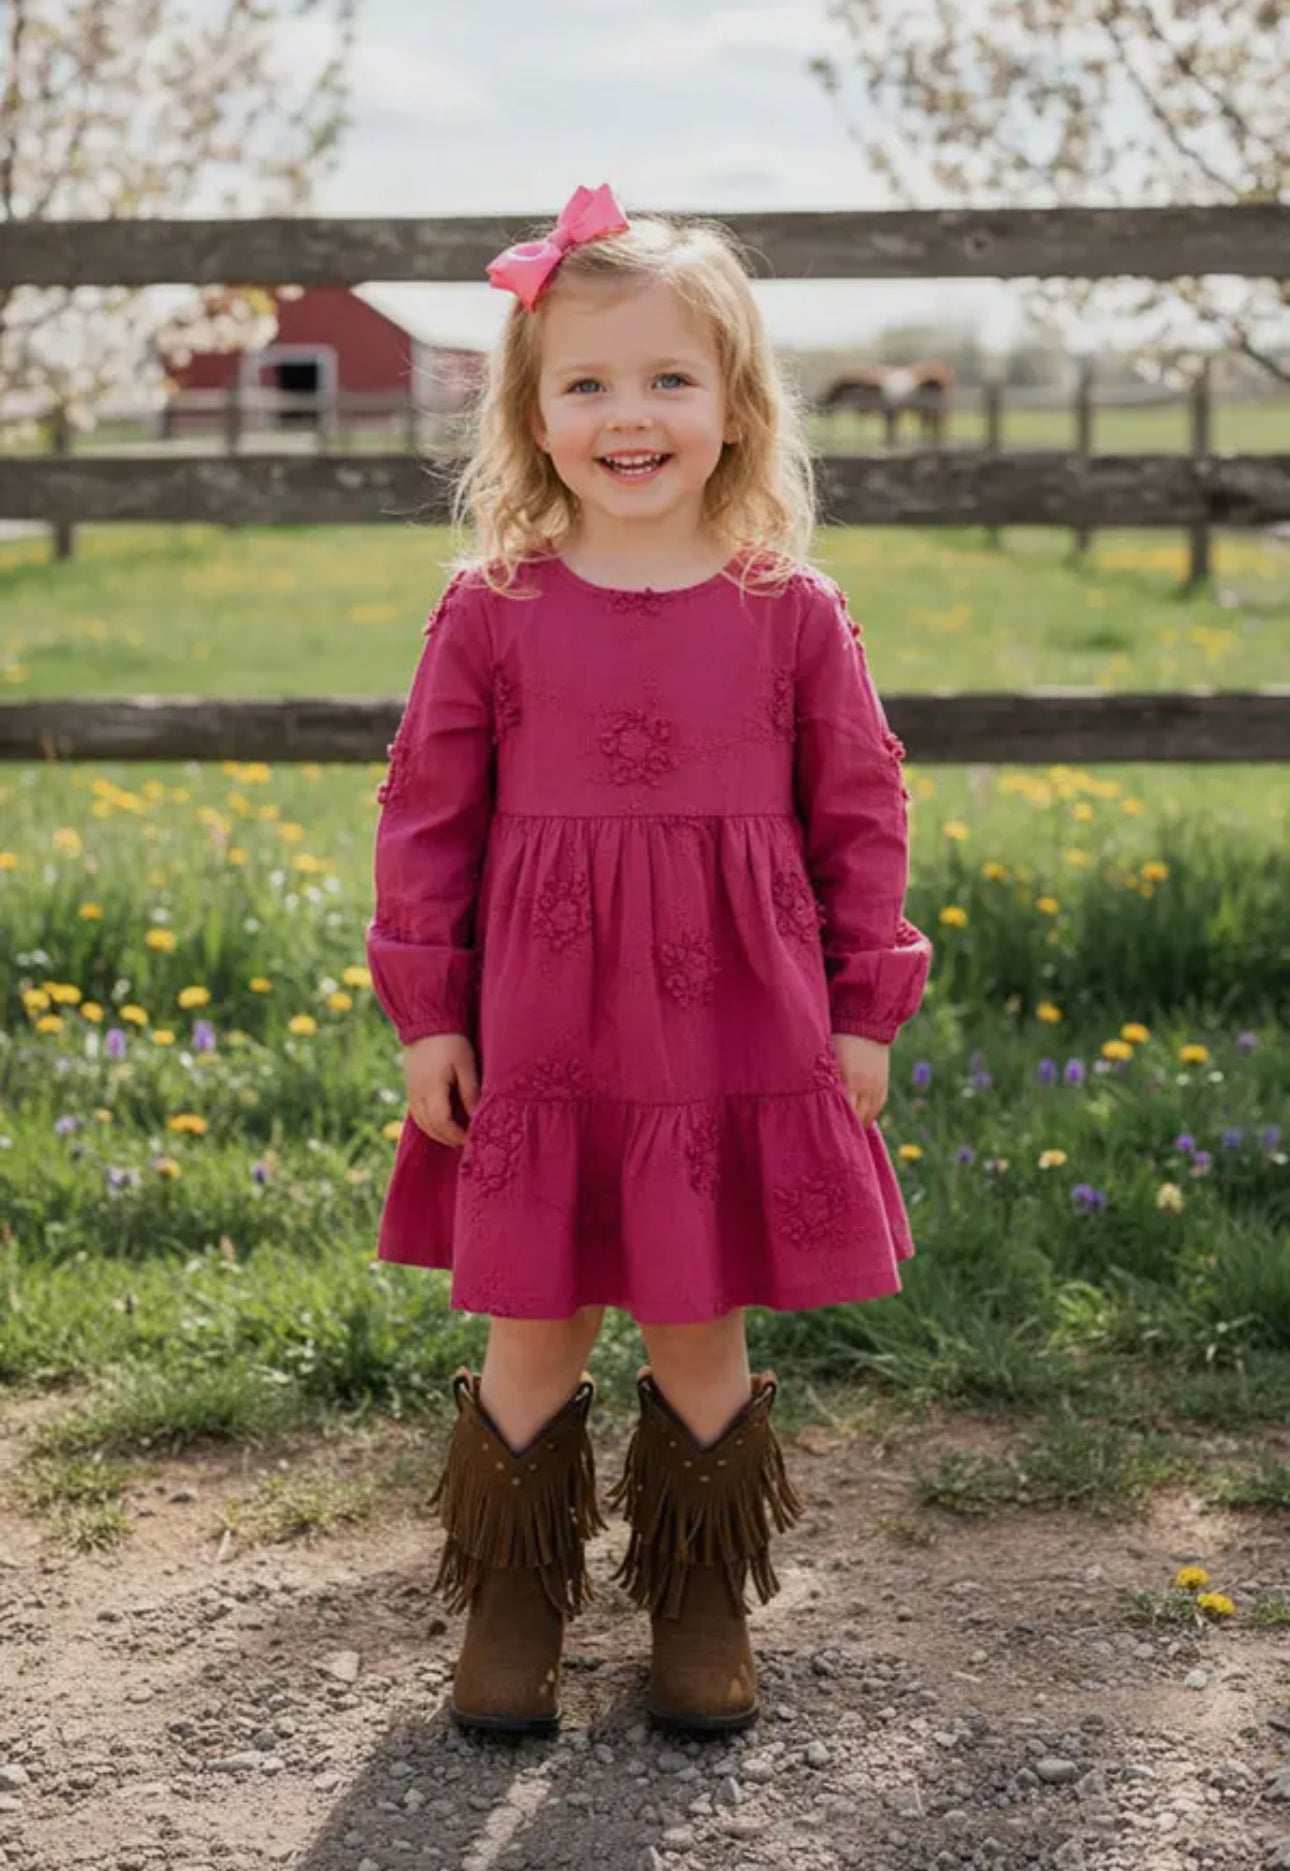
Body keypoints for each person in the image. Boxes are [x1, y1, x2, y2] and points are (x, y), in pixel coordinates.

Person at [366, 182, 933, 1739]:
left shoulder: (791, 614)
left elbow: (859, 814)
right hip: (540, 1025)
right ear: (533, 416)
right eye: (589, 383)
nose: (631, 415)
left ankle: (695, 1594)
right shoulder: (489, 612)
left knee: (698, 1311)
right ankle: (513, 1597)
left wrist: (863, 1009)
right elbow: (424, 817)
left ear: (735, 408)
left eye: (669, 379)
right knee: (534, 1312)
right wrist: (428, 1015)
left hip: (733, 1026)